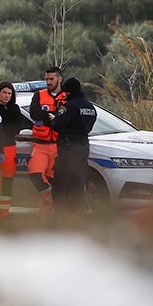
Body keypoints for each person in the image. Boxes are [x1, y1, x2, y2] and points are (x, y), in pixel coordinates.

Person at [49, 76, 97, 217]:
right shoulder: (90, 106)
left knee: (60, 184)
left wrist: (54, 119)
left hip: (69, 148)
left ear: (68, 92)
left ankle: (59, 216)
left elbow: (58, 125)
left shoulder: (69, 106)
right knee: (78, 184)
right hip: (83, 148)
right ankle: (78, 216)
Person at [0, 81, 33, 220]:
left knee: (7, 182)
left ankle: (4, 214)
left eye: (9, 93)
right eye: (4, 93)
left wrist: (1, 129)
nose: (6, 96)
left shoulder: (14, 108)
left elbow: (16, 128)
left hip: (9, 148)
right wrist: (1, 129)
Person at [27, 66, 66, 218]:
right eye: (46, 79)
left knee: (52, 180)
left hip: (58, 145)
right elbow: (34, 112)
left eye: (51, 79)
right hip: (41, 144)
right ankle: (49, 200)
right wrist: (53, 117)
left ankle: (46, 215)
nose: (48, 82)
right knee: (35, 174)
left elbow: (66, 117)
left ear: (59, 79)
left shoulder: (66, 96)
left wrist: (48, 117)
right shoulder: (39, 95)